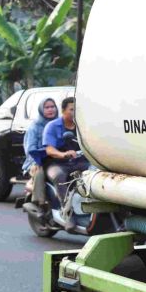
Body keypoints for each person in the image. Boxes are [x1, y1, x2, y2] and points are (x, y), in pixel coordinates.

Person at [43, 97, 89, 230]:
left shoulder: (82, 125)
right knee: (60, 177)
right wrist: (63, 154)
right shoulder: (52, 126)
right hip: (57, 163)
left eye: (77, 110)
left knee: (95, 173)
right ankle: (68, 213)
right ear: (63, 111)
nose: (74, 113)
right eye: (71, 109)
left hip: (79, 161)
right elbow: (49, 149)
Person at [22, 98, 57, 213]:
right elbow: (30, 149)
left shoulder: (59, 124)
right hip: (37, 160)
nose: (50, 109)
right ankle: (40, 203)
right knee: (40, 172)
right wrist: (44, 153)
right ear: (41, 110)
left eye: (52, 106)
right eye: (47, 107)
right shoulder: (35, 127)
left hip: (58, 158)